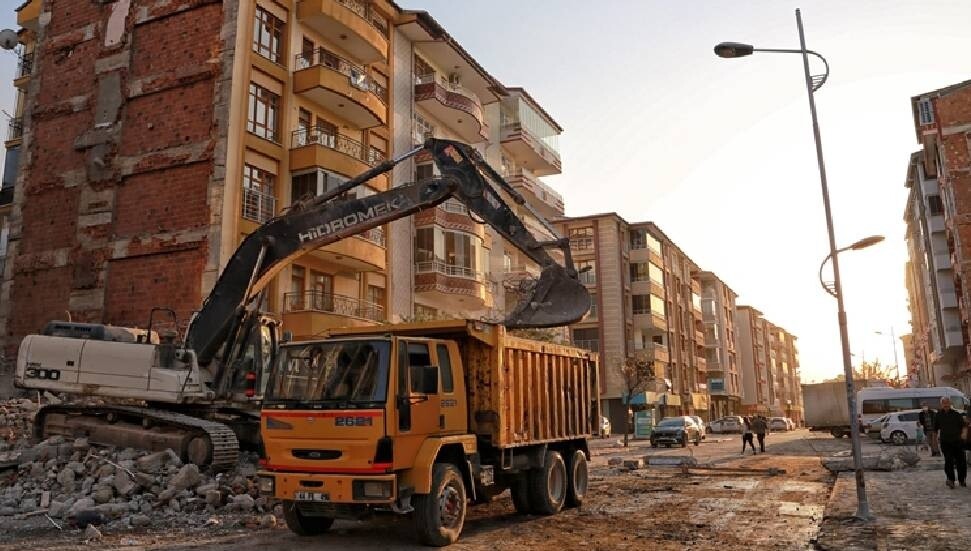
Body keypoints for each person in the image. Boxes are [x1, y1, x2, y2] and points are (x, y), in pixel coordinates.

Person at [935, 397, 967, 489]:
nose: (946, 405)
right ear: (941, 404)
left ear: (950, 404)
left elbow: (964, 426)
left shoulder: (956, 414)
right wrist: (934, 443)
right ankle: (951, 480)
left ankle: (962, 480)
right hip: (945, 442)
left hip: (957, 442)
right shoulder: (938, 415)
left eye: (947, 403)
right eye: (944, 403)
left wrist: (963, 435)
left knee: (961, 461)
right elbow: (935, 429)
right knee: (948, 462)